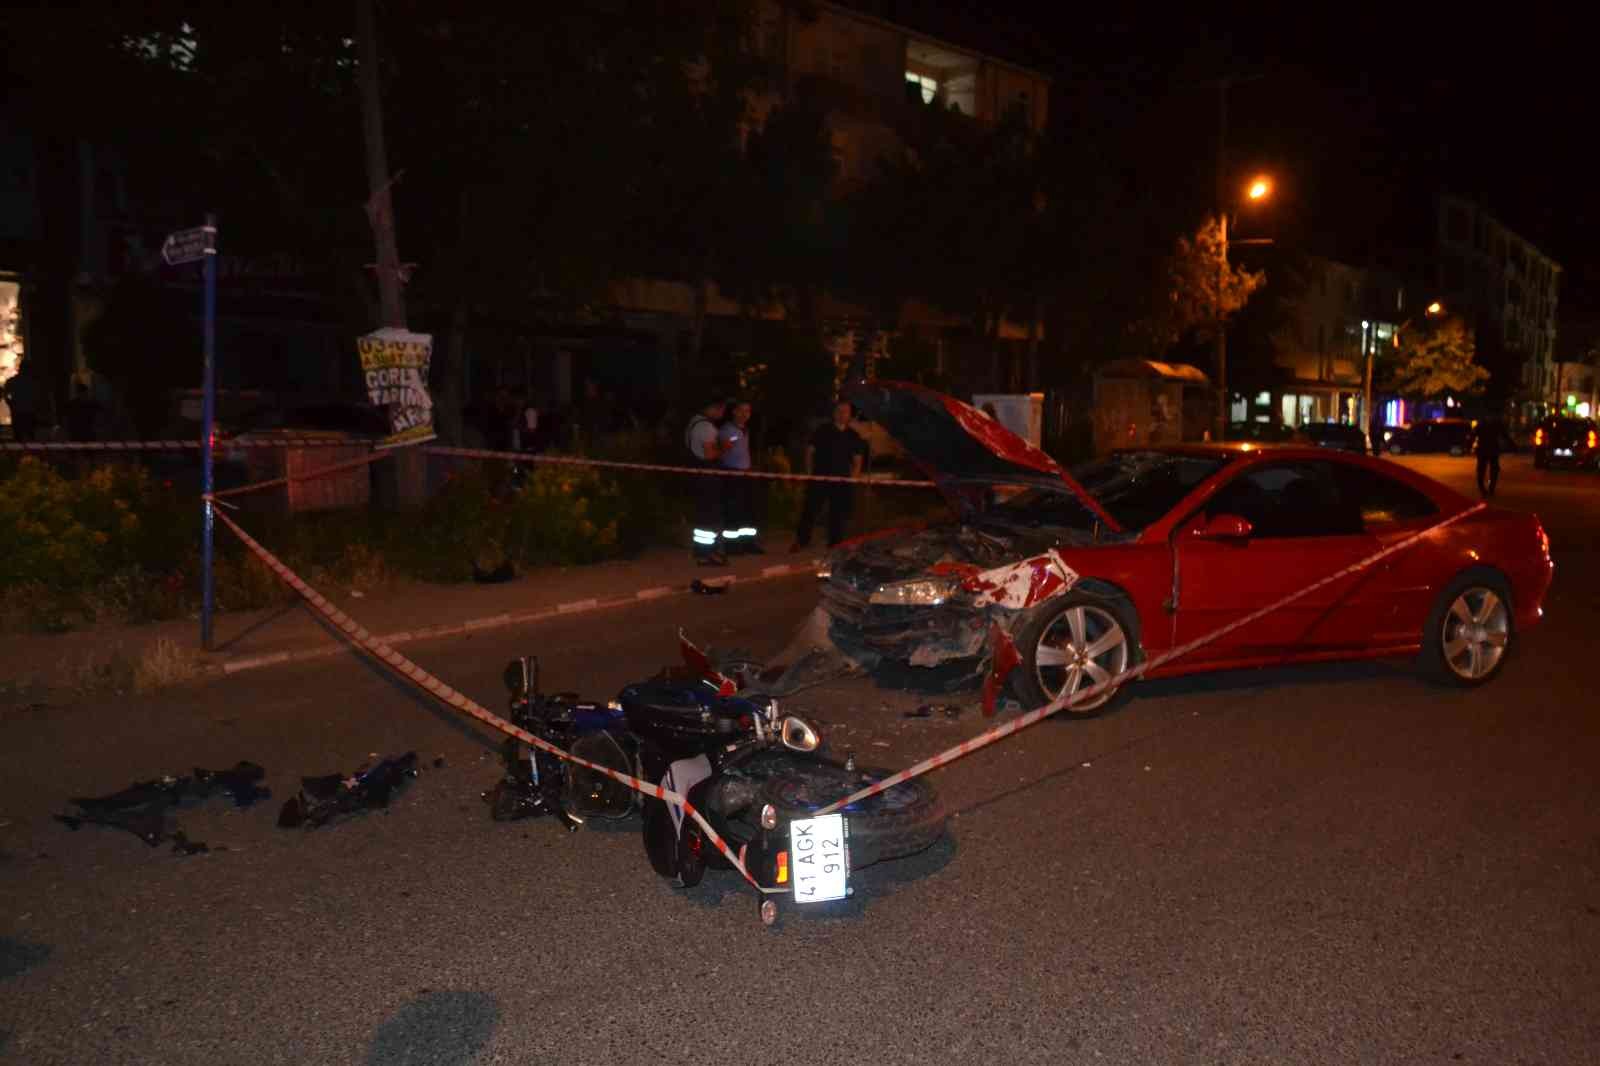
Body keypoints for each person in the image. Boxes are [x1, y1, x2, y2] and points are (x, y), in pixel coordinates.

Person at [792, 399, 867, 551]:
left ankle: (835, 544)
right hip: (820, 477)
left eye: (845, 411)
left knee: (838, 514)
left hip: (842, 481)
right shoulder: (822, 430)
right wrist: (809, 472)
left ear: (849, 415)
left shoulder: (853, 435)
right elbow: (810, 452)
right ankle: (801, 541)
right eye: (838, 411)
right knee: (810, 510)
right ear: (834, 413)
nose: (841, 414)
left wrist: (854, 478)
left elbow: (857, 460)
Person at [685, 396, 728, 565]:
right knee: (710, 516)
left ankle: (701, 551)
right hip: (707, 475)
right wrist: (724, 448)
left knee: (703, 515)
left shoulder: (694, 422)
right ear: (713, 408)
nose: (722, 413)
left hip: (697, 474)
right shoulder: (706, 427)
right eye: (722, 410)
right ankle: (708, 554)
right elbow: (710, 454)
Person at [718, 400, 762, 554]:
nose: (745, 414)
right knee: (733, 510)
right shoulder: (727, 430)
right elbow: (721, 451)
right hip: (732, 474)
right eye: (741, 410)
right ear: (734, 411)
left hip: (746, 474)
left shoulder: (746, 430)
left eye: (748, 411)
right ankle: (732, 546)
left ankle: (749, 543)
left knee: (748, 510)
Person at [1473, 413, 1515, 499]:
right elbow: (1505, 435)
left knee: (1486, 468)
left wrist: (1512, 444)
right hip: (1489, 449)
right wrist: (1512, 444)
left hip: (1485, 449)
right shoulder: (1493, 424)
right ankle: (1487, 488)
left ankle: (1487, 488)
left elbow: (1473, 434)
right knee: (1488, 468)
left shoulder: (1483, 424)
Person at [1, 363, 40, 442]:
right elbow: (37, 396)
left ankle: (18, 452)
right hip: (30, 411)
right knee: (30, 435)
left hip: (17, 411)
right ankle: (30, 452)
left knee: (18, 436)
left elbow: (5, 394)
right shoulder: (33, 382)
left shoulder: (12, 381)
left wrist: (11, 404)